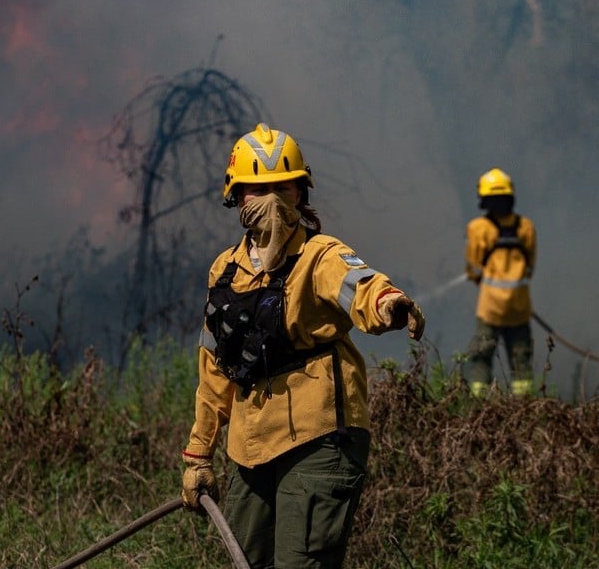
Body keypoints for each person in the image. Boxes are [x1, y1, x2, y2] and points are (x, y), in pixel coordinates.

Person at [180, 123, 426, 568]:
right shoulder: (225, 271)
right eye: (259, 189)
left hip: (319, 439)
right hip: (250, 448)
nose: (272, 200)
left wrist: (389, 304)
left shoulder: (321, 255)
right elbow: (214, 371)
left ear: (300, 192)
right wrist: (199, 454)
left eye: (282, 187)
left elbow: (360, 285)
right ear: (237, 196)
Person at [462, 168, 537, 397]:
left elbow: (473, 269)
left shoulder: (479, 229)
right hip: (519, 307)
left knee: (481, 355)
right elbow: (530, 267)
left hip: (490, 309)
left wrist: (483, 279)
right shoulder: (526, 227)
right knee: (521, 359)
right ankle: (523, 405)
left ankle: (479, 403)